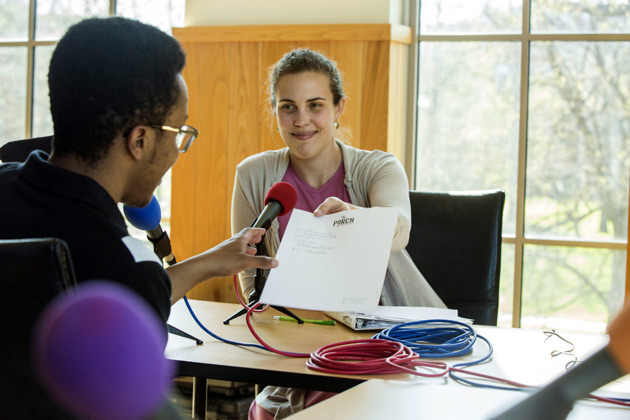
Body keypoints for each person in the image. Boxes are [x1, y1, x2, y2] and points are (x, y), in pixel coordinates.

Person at [0, 17, 277, 419]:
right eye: (180, 132)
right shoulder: (123, 264)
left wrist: (206, 263)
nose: (177, 149)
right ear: (141, 140)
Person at [231, 48, 446, 419]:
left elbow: (400, 230)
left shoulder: (378, 167)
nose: (301, 121)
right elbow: (249, 273)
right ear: (275, 110)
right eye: (288, 107)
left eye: (315, 105)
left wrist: (357, 219)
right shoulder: (253, 174)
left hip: (384, 344)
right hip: (297, 344)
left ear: (338, 107)